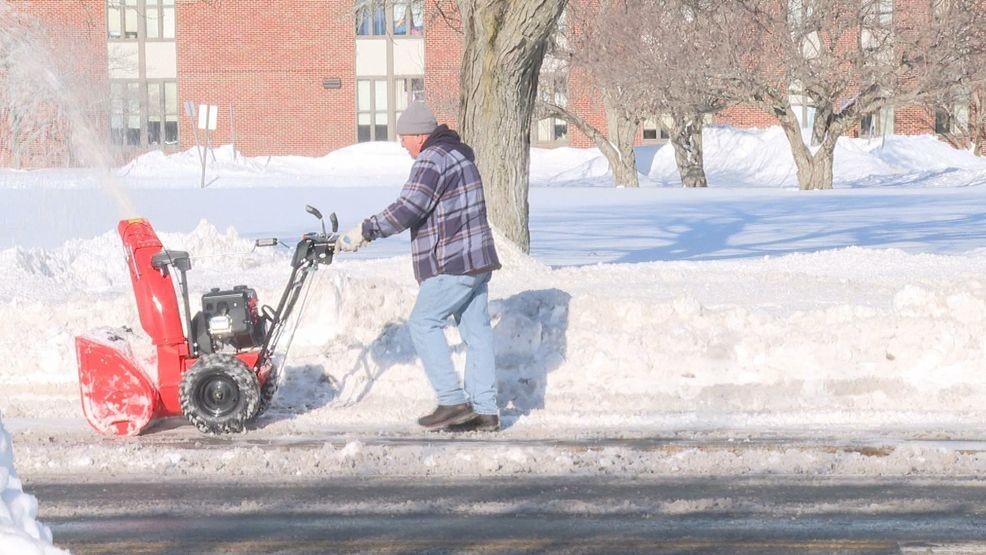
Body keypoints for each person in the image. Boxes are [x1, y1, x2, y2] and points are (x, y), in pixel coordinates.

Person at [335, 102, 502, 432]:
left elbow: (409, 207)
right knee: (477, 334)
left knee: (423, 322)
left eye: (404, 137)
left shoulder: (432, 158)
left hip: (453, 262)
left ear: (419, 135)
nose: (401, 144)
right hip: (477, 260)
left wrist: (367, 231)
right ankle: (485, 411)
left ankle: (453, 401)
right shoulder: (459, 156)